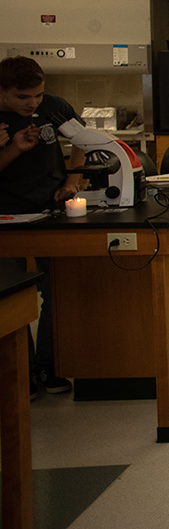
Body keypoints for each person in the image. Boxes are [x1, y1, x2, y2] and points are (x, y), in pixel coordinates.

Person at [0, 55, 85, 397]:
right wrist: (14, 150)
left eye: (37, 94)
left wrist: (73, 180)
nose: (32, 103)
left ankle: (50, 369)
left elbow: (83, 139)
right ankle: (22, 372)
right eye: (23, 97)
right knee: (14, 298)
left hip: (50, 211)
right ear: (3, 92)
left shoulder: (54, 107)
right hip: (6, 217)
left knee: (57, 292)